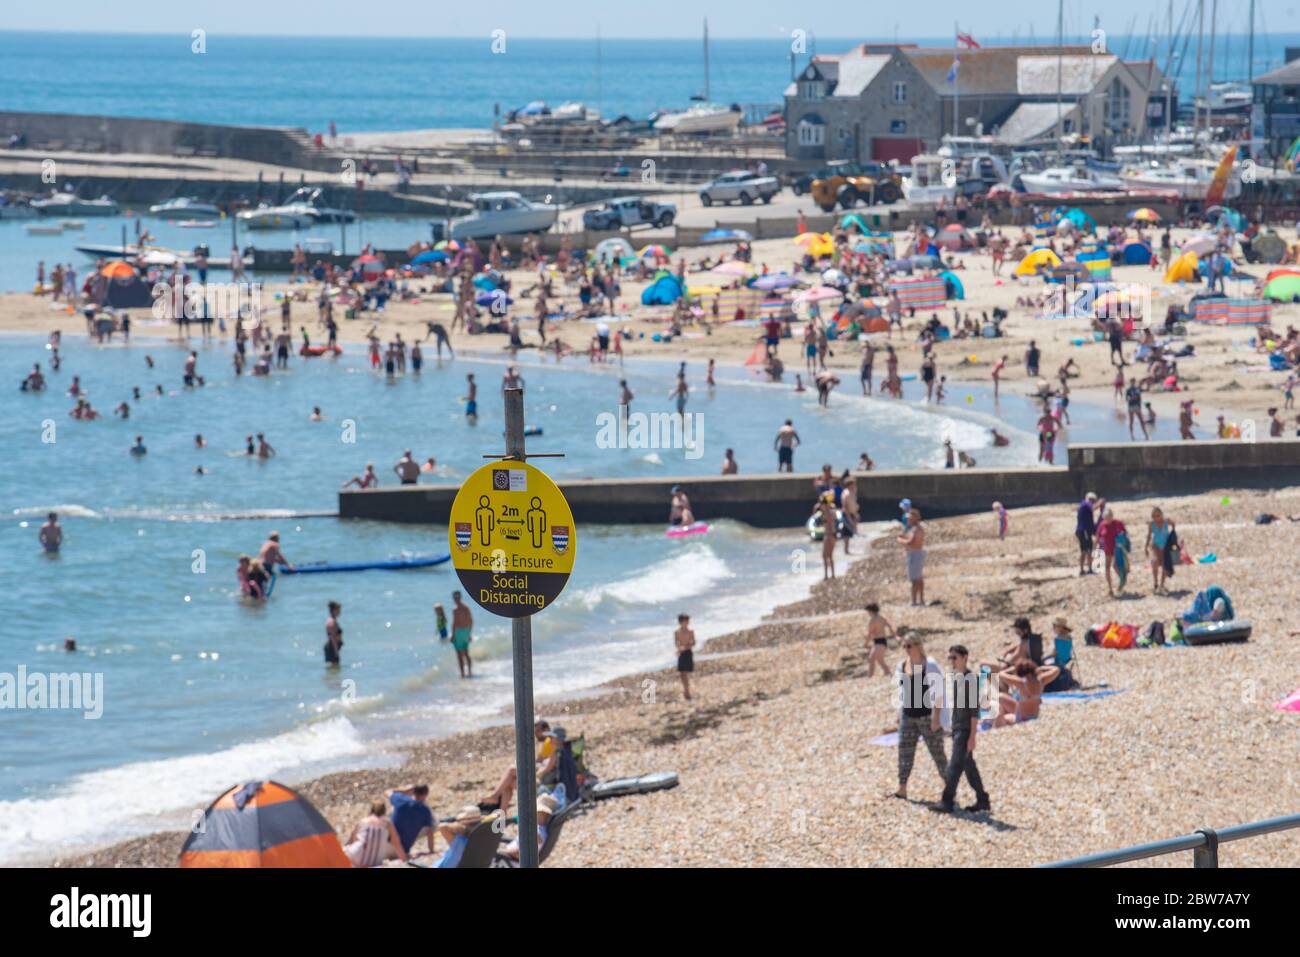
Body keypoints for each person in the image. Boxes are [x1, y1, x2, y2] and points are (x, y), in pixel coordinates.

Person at [931, 645, 990, 814]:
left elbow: (974, 711)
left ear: (965, 658)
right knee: (969, 766)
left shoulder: (970, 679)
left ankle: (947, 801)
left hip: (964, 731)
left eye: (954, 657)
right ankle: (982, 799)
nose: (952, 661)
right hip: (957, 729)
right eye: (950, 658)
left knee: (955, 766)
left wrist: (972, 736)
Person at [894, 637, 947, 800]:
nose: (906, 649)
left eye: (909, 645)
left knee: (937, 752)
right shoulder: (902, 665)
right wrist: (898, 714)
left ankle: (949, 785)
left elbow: (938, 691)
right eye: (904, 646)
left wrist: (936, 717)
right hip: (908, 715)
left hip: (927, 715)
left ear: (918, 646)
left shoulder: (929, 665)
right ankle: (902, 787)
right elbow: (900, 690)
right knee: (904, 752)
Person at [991, 659, 1059, 727]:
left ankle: (994, 730)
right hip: (1034, 717)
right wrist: (1040, 668)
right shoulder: (1040, 681)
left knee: (998, 708)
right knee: (1001, 698)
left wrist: (1012, 669)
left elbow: (1001, 674)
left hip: (1021, 720)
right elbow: (1056, 669)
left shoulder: (1021, 682)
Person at [344, 801, 406, 867]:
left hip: (357, 856)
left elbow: (353, 839)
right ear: (384, 811)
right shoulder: (387, 823)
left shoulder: (364, 821)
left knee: (344, 849)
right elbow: (396, 842)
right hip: (375, 861)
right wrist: (404, 859)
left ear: (371, 810)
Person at [499, 794, 559, 862]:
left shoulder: (537, 834)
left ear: (544, 815)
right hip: (507, 857)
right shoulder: (539, 828)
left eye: (536, 812)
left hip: (510, 861)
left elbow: (520, 853)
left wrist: (500, 852)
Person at [384, 784, 437, 858]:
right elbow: (430, 832)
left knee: (391, 811)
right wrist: (431, 850)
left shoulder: (401, 799)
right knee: (432, 823)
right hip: (402, 851)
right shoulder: (425, 810)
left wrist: (403, 790)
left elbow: (387, 792)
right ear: (425, 795)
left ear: (413, 792)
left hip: (384, 846)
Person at [1096, 507, 1128, 597]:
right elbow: (1098, 538)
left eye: (1109, 517)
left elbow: (1125, 534)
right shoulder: (1102, 525)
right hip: (1107, 549)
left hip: (1117, 549)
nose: (1108, 519)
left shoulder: (1118, 523)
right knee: (1107, 568)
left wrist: (1123, 543)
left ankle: (1122, 579)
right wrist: (1097, 550)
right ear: (1103, 518)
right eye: (1106, 518)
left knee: (1116, 566)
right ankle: (1110, 589)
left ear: (1112, 516)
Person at [898, 507, 926, 606]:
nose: (908, 520)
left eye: (910, 518)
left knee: (915, 579)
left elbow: (911, 542)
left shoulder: (916, 529)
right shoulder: (915, 528)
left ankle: (914, 601)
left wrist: (900, 540)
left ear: (915, 518)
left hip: (915, 554)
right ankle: (921, 600)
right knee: (918, 578)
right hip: (916, 554)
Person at [1145, 506, 1174, 594]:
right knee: (1155, 563)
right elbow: (1149, 535)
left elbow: (1173, 524)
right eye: (1154, 516)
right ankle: (1155, 584)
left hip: (1165, 546)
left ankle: (1162, 585)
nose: (1156, 518)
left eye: (1158, 515)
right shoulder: (1152, 524)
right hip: (1156, 546)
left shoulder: (1166, 522)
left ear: (1161, 515)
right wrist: (1145, 546)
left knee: (1165, 565)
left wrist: (1172, 535)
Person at [864, 602, 894, 677]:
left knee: (879, 659)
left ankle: (888, 673)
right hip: (882, 640)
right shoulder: (882, 618)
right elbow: (889, 626)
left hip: (878, 641)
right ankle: (870, 676)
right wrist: (894, 634)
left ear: (871, 611)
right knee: (872, 658)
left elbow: (870, 633)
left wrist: (866, 643)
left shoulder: (872, 620)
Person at [451, 590, 473, 677]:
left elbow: (455, 623)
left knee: (459, 655)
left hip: (459, 633)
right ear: (460, 597)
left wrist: (453, 635)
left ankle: (462, 674)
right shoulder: (466, 608)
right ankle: (470, 672)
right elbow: (471, 621)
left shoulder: (455, 610)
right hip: (466, 632)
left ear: (454, 598)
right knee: (466, 653)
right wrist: (469, 633)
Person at [1075, 492, 1098, 575]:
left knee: (1085, 550)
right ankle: (1088, 569)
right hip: (1084, 531)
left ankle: (1085, 569)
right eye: (1094, 501)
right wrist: (1100, 503)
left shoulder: (1083, 505)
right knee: (1087, 550)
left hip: (1083, 530)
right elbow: (1091, 507)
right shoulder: (1085, 504)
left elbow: (1090, 521)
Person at [674, 613, 695, 700]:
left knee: (685, 672)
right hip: (681, 653)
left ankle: (687, 691)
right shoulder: (677, 632)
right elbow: (676, 643)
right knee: (682, 674)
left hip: (688, 652)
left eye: (688, 621)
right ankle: (685, 690)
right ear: (681, 622)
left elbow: (693, 643)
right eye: (686, 621)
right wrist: (679, 649)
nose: (687, 623)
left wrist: (685, 647)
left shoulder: (691, 632)